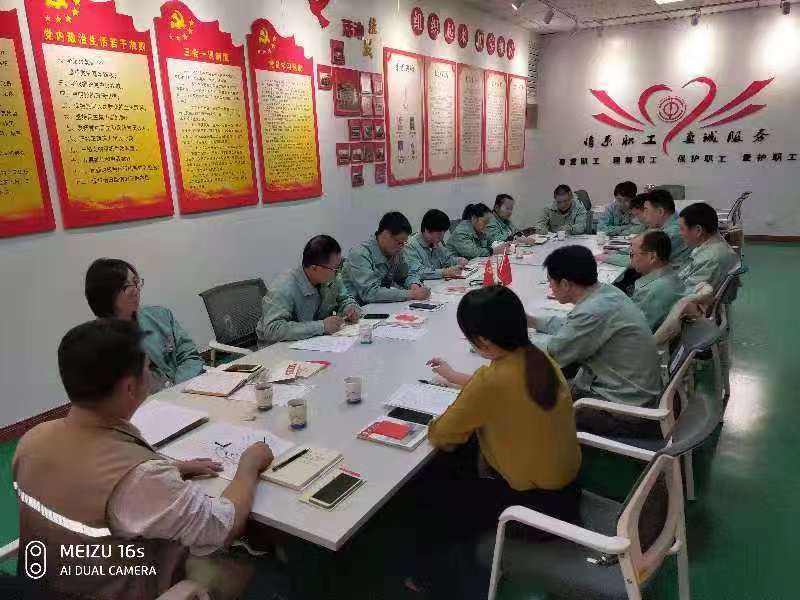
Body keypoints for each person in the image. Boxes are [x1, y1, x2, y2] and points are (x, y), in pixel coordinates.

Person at [13, 319, 274, 599]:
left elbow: (82, 480)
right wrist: (248, 465)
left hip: (49, 582)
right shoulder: (140, 478)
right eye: (149, 368)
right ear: (130, 388)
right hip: (130, 587)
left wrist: (170, 468)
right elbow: (223, 527)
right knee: (258, 571)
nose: (152, 375)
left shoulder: (33, 439)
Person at [407, 286, 581, 596]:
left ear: (484, 341)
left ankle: (434, 579)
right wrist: (459, 380)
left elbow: (441, 434)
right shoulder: (539, 357)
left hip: (535, 511)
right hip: (567, 491)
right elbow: (499, 390)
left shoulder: (492, 382)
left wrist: (459, 400)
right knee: (464, 454)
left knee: (430, 492)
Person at [529, 246, 662, 436]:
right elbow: (571, 327)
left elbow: (554, 353)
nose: (549, 286)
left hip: (625, 411)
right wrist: (531, 321)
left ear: (565, 284)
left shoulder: (593, 311)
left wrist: (511, 340)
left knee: (531, 405)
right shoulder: (606, 292)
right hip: (633, 392)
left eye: (550, 280)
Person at [85, 258, 204, 392]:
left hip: (184, 390)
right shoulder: (98, 345)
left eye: (136, 282)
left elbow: (190, 356)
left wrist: (178, 389)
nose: (136, 290)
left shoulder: (160, 316)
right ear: (106, 295)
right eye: (127, 286)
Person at [257, 235, 360, 344]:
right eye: (334, 268)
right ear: (314, 268)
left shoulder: (331, 278)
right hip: (280, 348)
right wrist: (321, 326)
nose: (338, 272)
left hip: (315, 342)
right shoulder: (283, 287)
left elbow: (344, 299)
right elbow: (272, 329)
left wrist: (350, 308)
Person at [342, 211, 431, 304]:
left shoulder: (396, 252)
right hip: (359, 308)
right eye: (399, 242)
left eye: (404, 243)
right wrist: (411, 294)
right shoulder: (360, 255)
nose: (402, 247)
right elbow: (370, 293)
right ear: (385, 234)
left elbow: (406, 275)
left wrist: (413, 284)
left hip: (381, 306)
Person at [678, 202, 739, 291]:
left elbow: (687, 293)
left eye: (681, 229)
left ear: (698, 230)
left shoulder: (709, 259)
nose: (680, 233)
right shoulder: (716, 245)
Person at [630, 230, 683, 331]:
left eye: (632, 254)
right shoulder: (670, 274)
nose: (631, 260)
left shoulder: (652, 291)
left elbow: (632, 330)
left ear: (652, 257)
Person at [404, 209, 468, 281]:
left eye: (444, 233)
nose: (442, 237)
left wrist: (458, 261)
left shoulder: (434, 242)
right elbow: (417, 272)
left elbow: (446, 260)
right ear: (427, 230)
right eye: (439, 234)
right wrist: (444, 272)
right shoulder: (410, 246)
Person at [641, 189, 691, 269]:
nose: (644, 215)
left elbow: (642, 259)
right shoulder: (672, 224)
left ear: (660, 212)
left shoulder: (672, 232)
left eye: (646, 210)